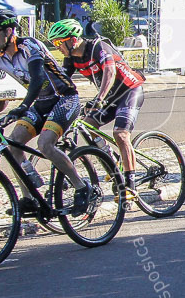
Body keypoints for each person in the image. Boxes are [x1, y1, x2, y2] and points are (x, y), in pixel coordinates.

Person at [0, 9, 90, 214]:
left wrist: (23, 106)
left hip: (64, 99)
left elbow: (37, 79)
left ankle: (82, 187)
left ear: (9, 31)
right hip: (42, 103)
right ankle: (29, 197)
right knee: (13, 146)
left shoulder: (29, 46)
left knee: (45, 144)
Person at [48, 19, 147, 202]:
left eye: (58, 43)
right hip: (110, 97)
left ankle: (130, 185)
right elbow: (61, 84)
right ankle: (112, 160)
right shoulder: (71, 58)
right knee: (87, 126)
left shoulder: (98, 47)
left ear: (72, 40)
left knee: (121, 134)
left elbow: (110, 73)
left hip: (129, 91)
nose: (57, 47)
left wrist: (99, 99)